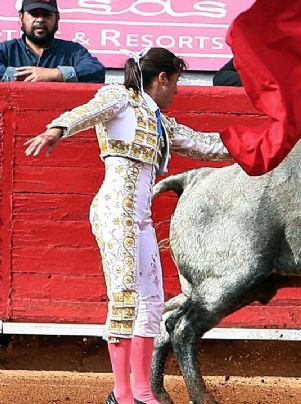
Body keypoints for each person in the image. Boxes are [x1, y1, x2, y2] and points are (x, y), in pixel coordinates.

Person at [24, 47, 231, 404]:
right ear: (162, 78)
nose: (178, 90)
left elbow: (204, 145)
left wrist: (259, 146)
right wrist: (57, 128)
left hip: (141, 216)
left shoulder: (161, 121)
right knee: (124, 298)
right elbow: (87, 111)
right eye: (177, 81)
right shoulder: (119, 97)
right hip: (115, 211)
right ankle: (121, 394)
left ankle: (141, 391)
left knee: (151, 301)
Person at [0, 0, 105, 83]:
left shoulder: (73, 51)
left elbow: (96, 71)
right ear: (21, 17)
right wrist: (27, 76)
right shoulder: (6, 50)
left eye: (47, 15)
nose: (40, 19)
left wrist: (54, 74)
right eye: (34, 14)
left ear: (57, 18)